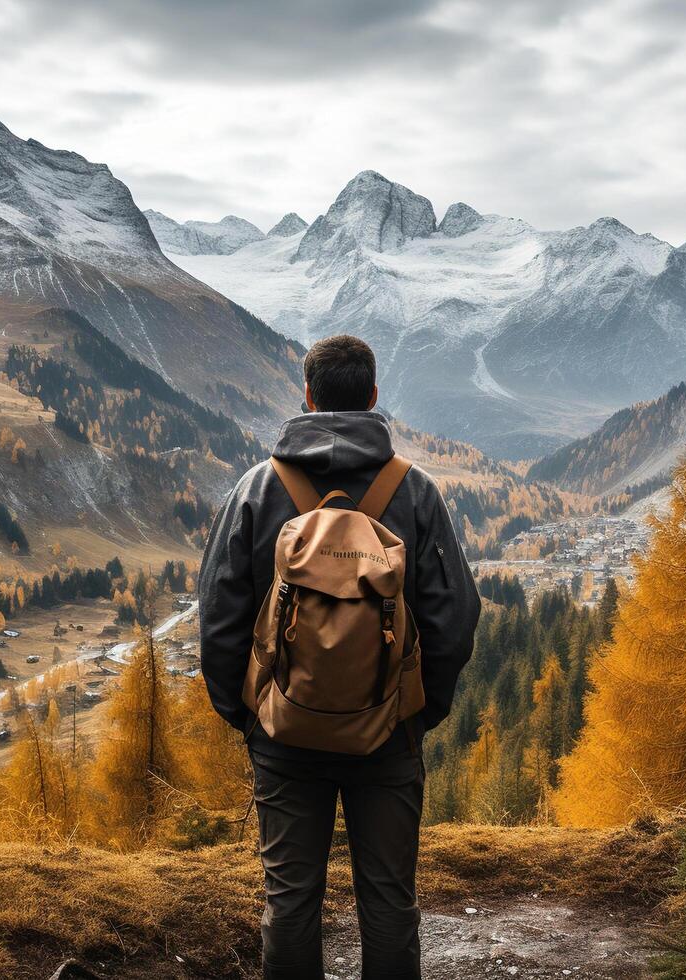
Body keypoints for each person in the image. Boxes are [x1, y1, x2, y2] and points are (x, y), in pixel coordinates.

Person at [199, 334, 480, 980]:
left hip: (283, 736)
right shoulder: (414, 493)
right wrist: (414, 713)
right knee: (387, 902)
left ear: (307, 397)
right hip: (388, 739)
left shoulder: (255, 491)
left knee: (291, 904)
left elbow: (218, 618)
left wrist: (250, 717)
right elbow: (455, 620)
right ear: (374, 398)